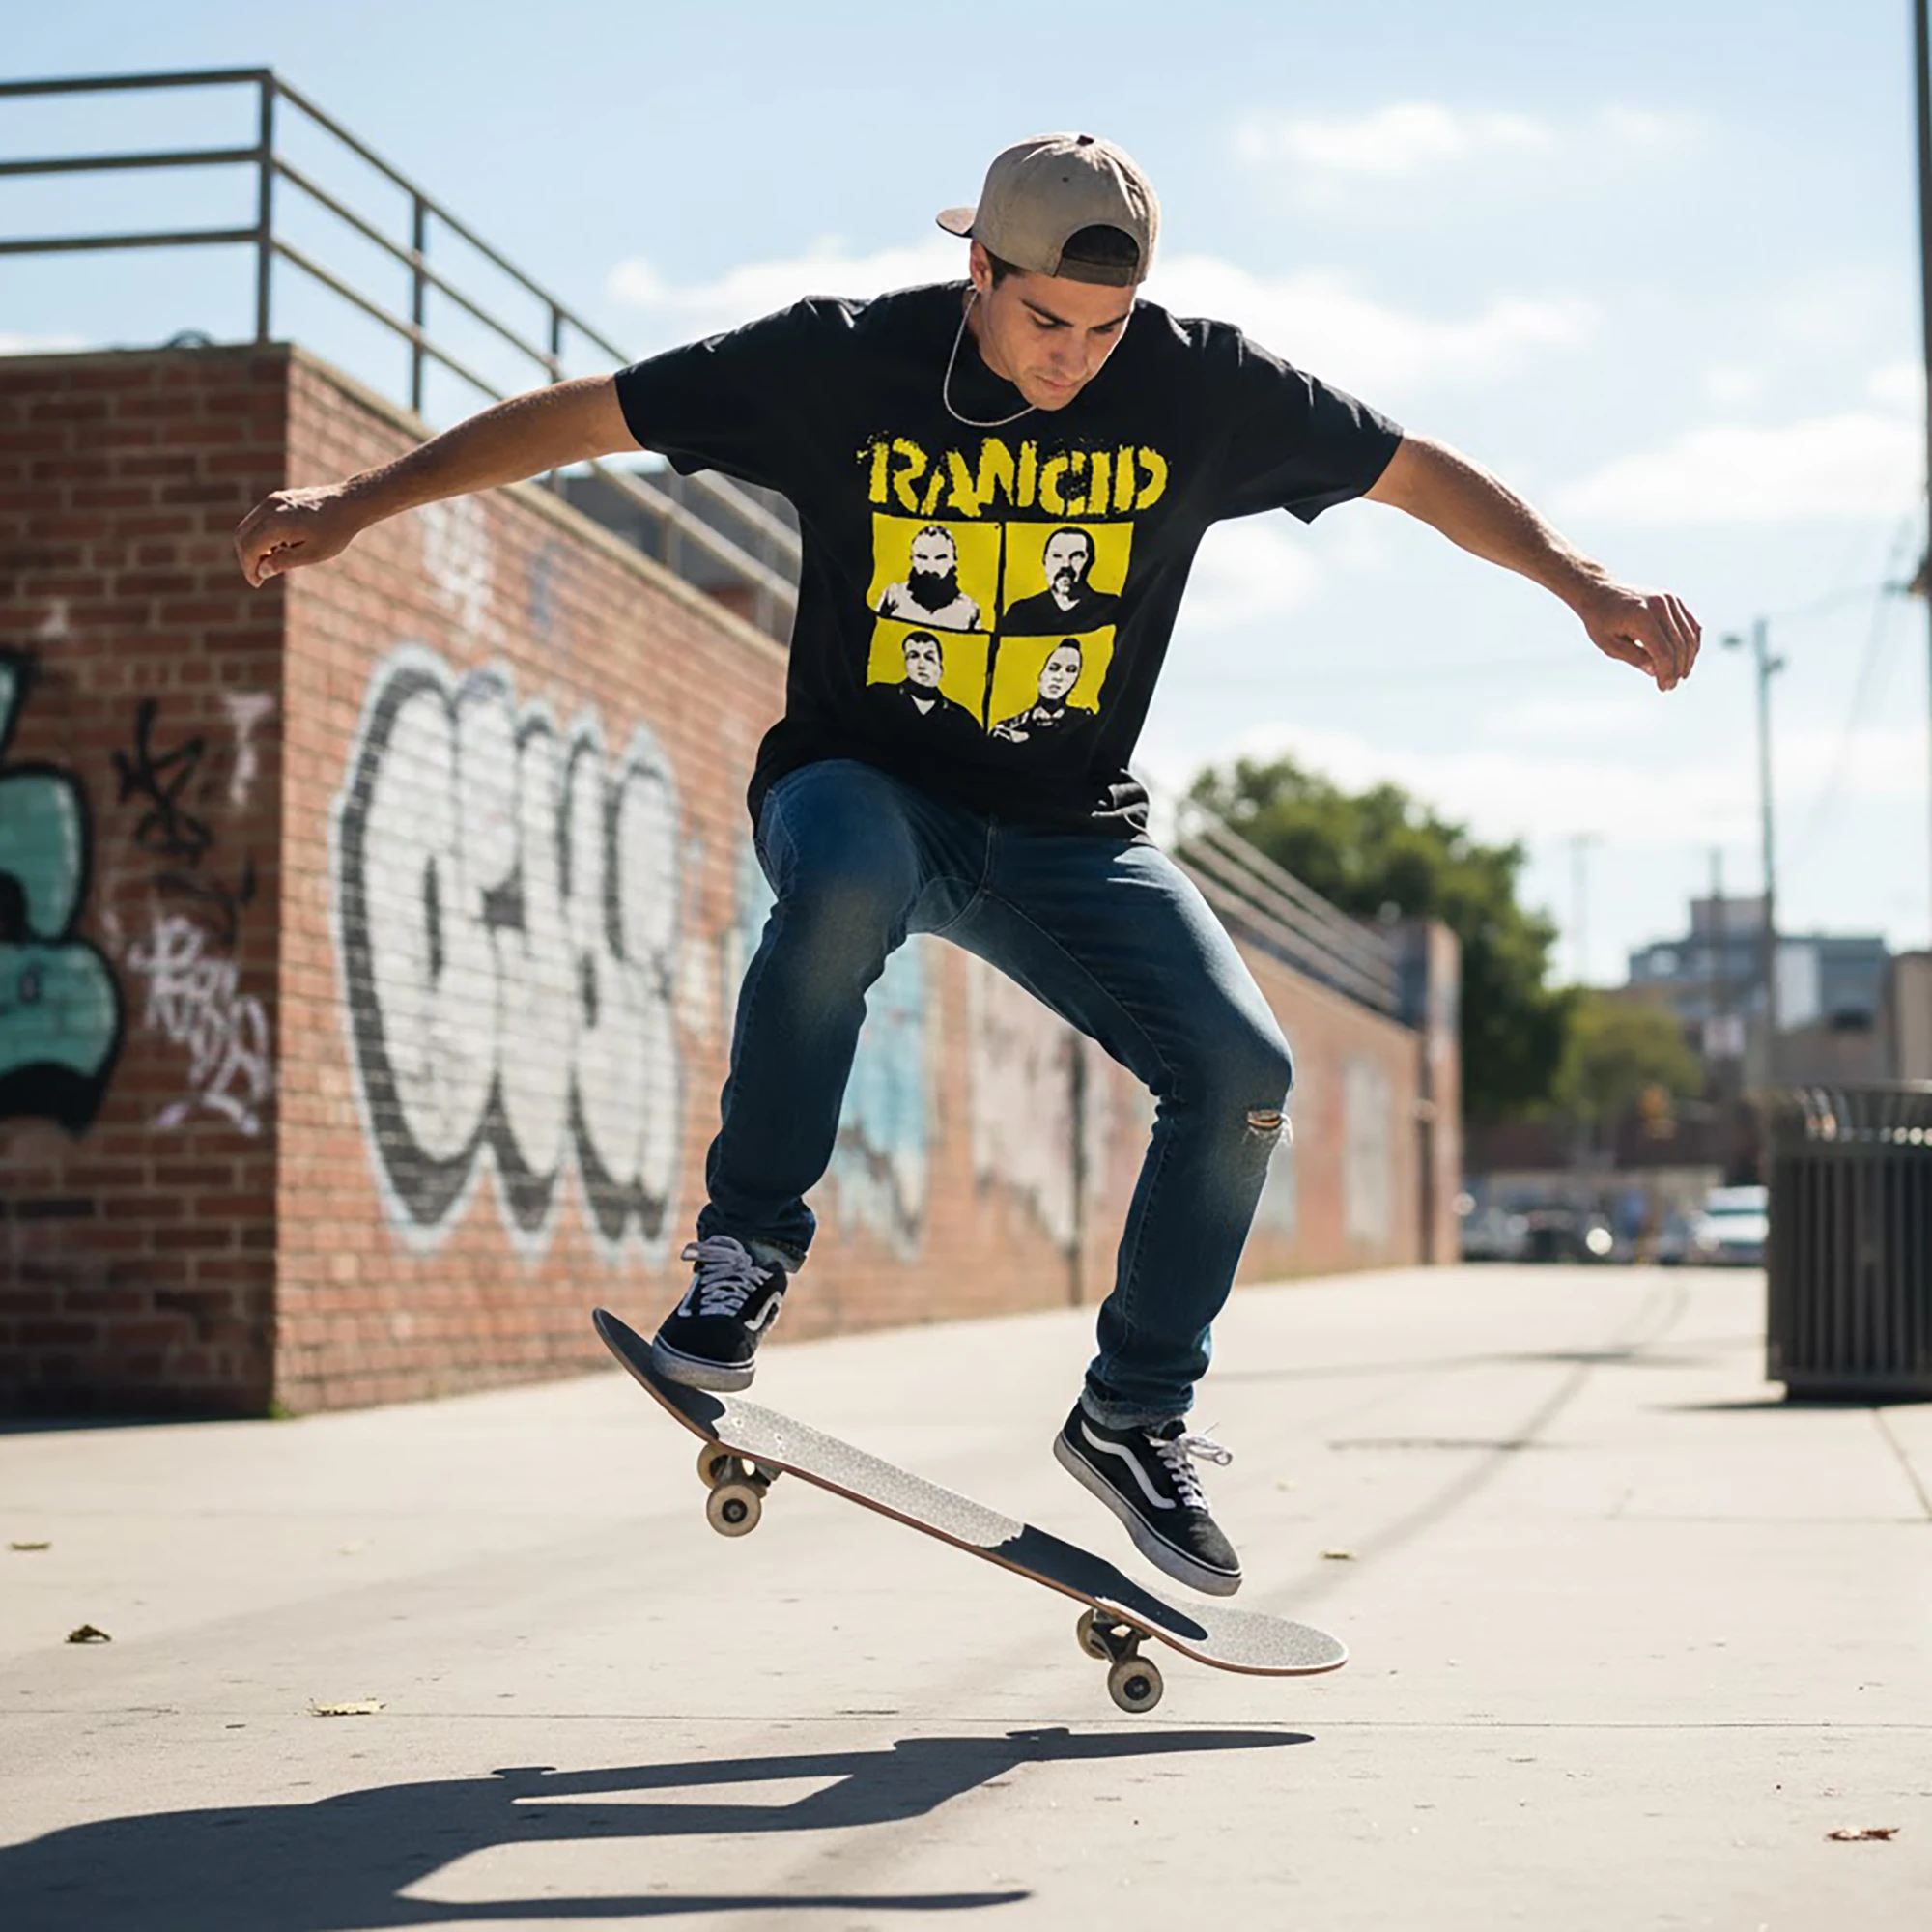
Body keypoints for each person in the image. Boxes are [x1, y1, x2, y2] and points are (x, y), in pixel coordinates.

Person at [234, 131, 1699, 1600]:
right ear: (977, 271)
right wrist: (357, 503)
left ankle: (1133, 1415)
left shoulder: (1203, 383)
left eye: (1105, 332)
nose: (1074, 361)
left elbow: (1412, 472)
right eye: (1045, 323)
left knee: (1245, 1074)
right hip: (863, 786)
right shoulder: (837, 362)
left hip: (1073, 832)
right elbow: (589, 419)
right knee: (849, 880)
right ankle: (742, 1256)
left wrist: (1585, 586)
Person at [869, 629, 981, 744]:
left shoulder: (961, 719)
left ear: (940, 668)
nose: (921, 665)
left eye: (929, 658)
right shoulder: (879, 695)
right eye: (913, 656)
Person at [1000, 526, 1119, 633]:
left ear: (1090, 561)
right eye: (1057, 556)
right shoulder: (1022, 612)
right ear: (1045, 560)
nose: (1066, 565)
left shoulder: (1110, 609)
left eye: (1076, 556)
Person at [876, 524, 982, 630]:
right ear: (912, 560)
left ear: (953, 561)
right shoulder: (893, 596)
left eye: (940, 558)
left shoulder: (968, 609)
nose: (931, 567)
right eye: (922, 558)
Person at [991, 639, 1092, 743]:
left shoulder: (1084, 722)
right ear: (1039, 671)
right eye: (1053, 668)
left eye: (1071, 670)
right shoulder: (1010, 728)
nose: (1059, 677)